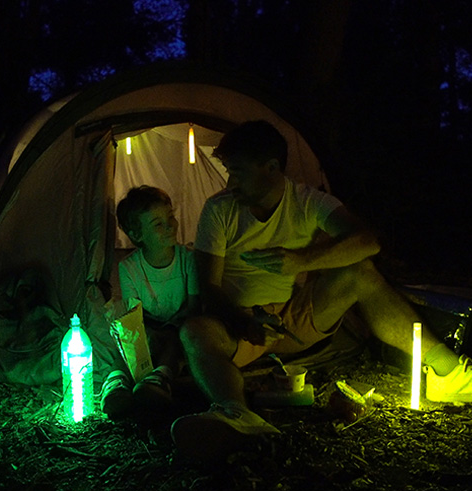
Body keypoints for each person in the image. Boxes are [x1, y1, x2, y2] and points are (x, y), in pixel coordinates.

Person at [170, 120, 472, 460]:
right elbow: (209, 288)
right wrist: (242, 322)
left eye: (237, 171)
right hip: (239, 324)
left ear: (271, 168)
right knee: (195, 331)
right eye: (229, 171)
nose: (230, 181)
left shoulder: (307, 201)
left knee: (360, 272)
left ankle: (450, 374)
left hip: (292, 317)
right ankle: (237, 415)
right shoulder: (219, 209)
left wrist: (301, 261)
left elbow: (367, 241)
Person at [101, 186, 199, 417]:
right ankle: (116, 383)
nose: (169, 226)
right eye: (157, 223)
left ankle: (159, 380)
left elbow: (194, 307)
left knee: (176, 340)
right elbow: (134, 315)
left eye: (170, 217)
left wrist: (172, 326)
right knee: (127, 342)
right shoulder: (129, 268)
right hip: (149, 328)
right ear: (137, 234)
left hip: (178, 326)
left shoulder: (188, 260)